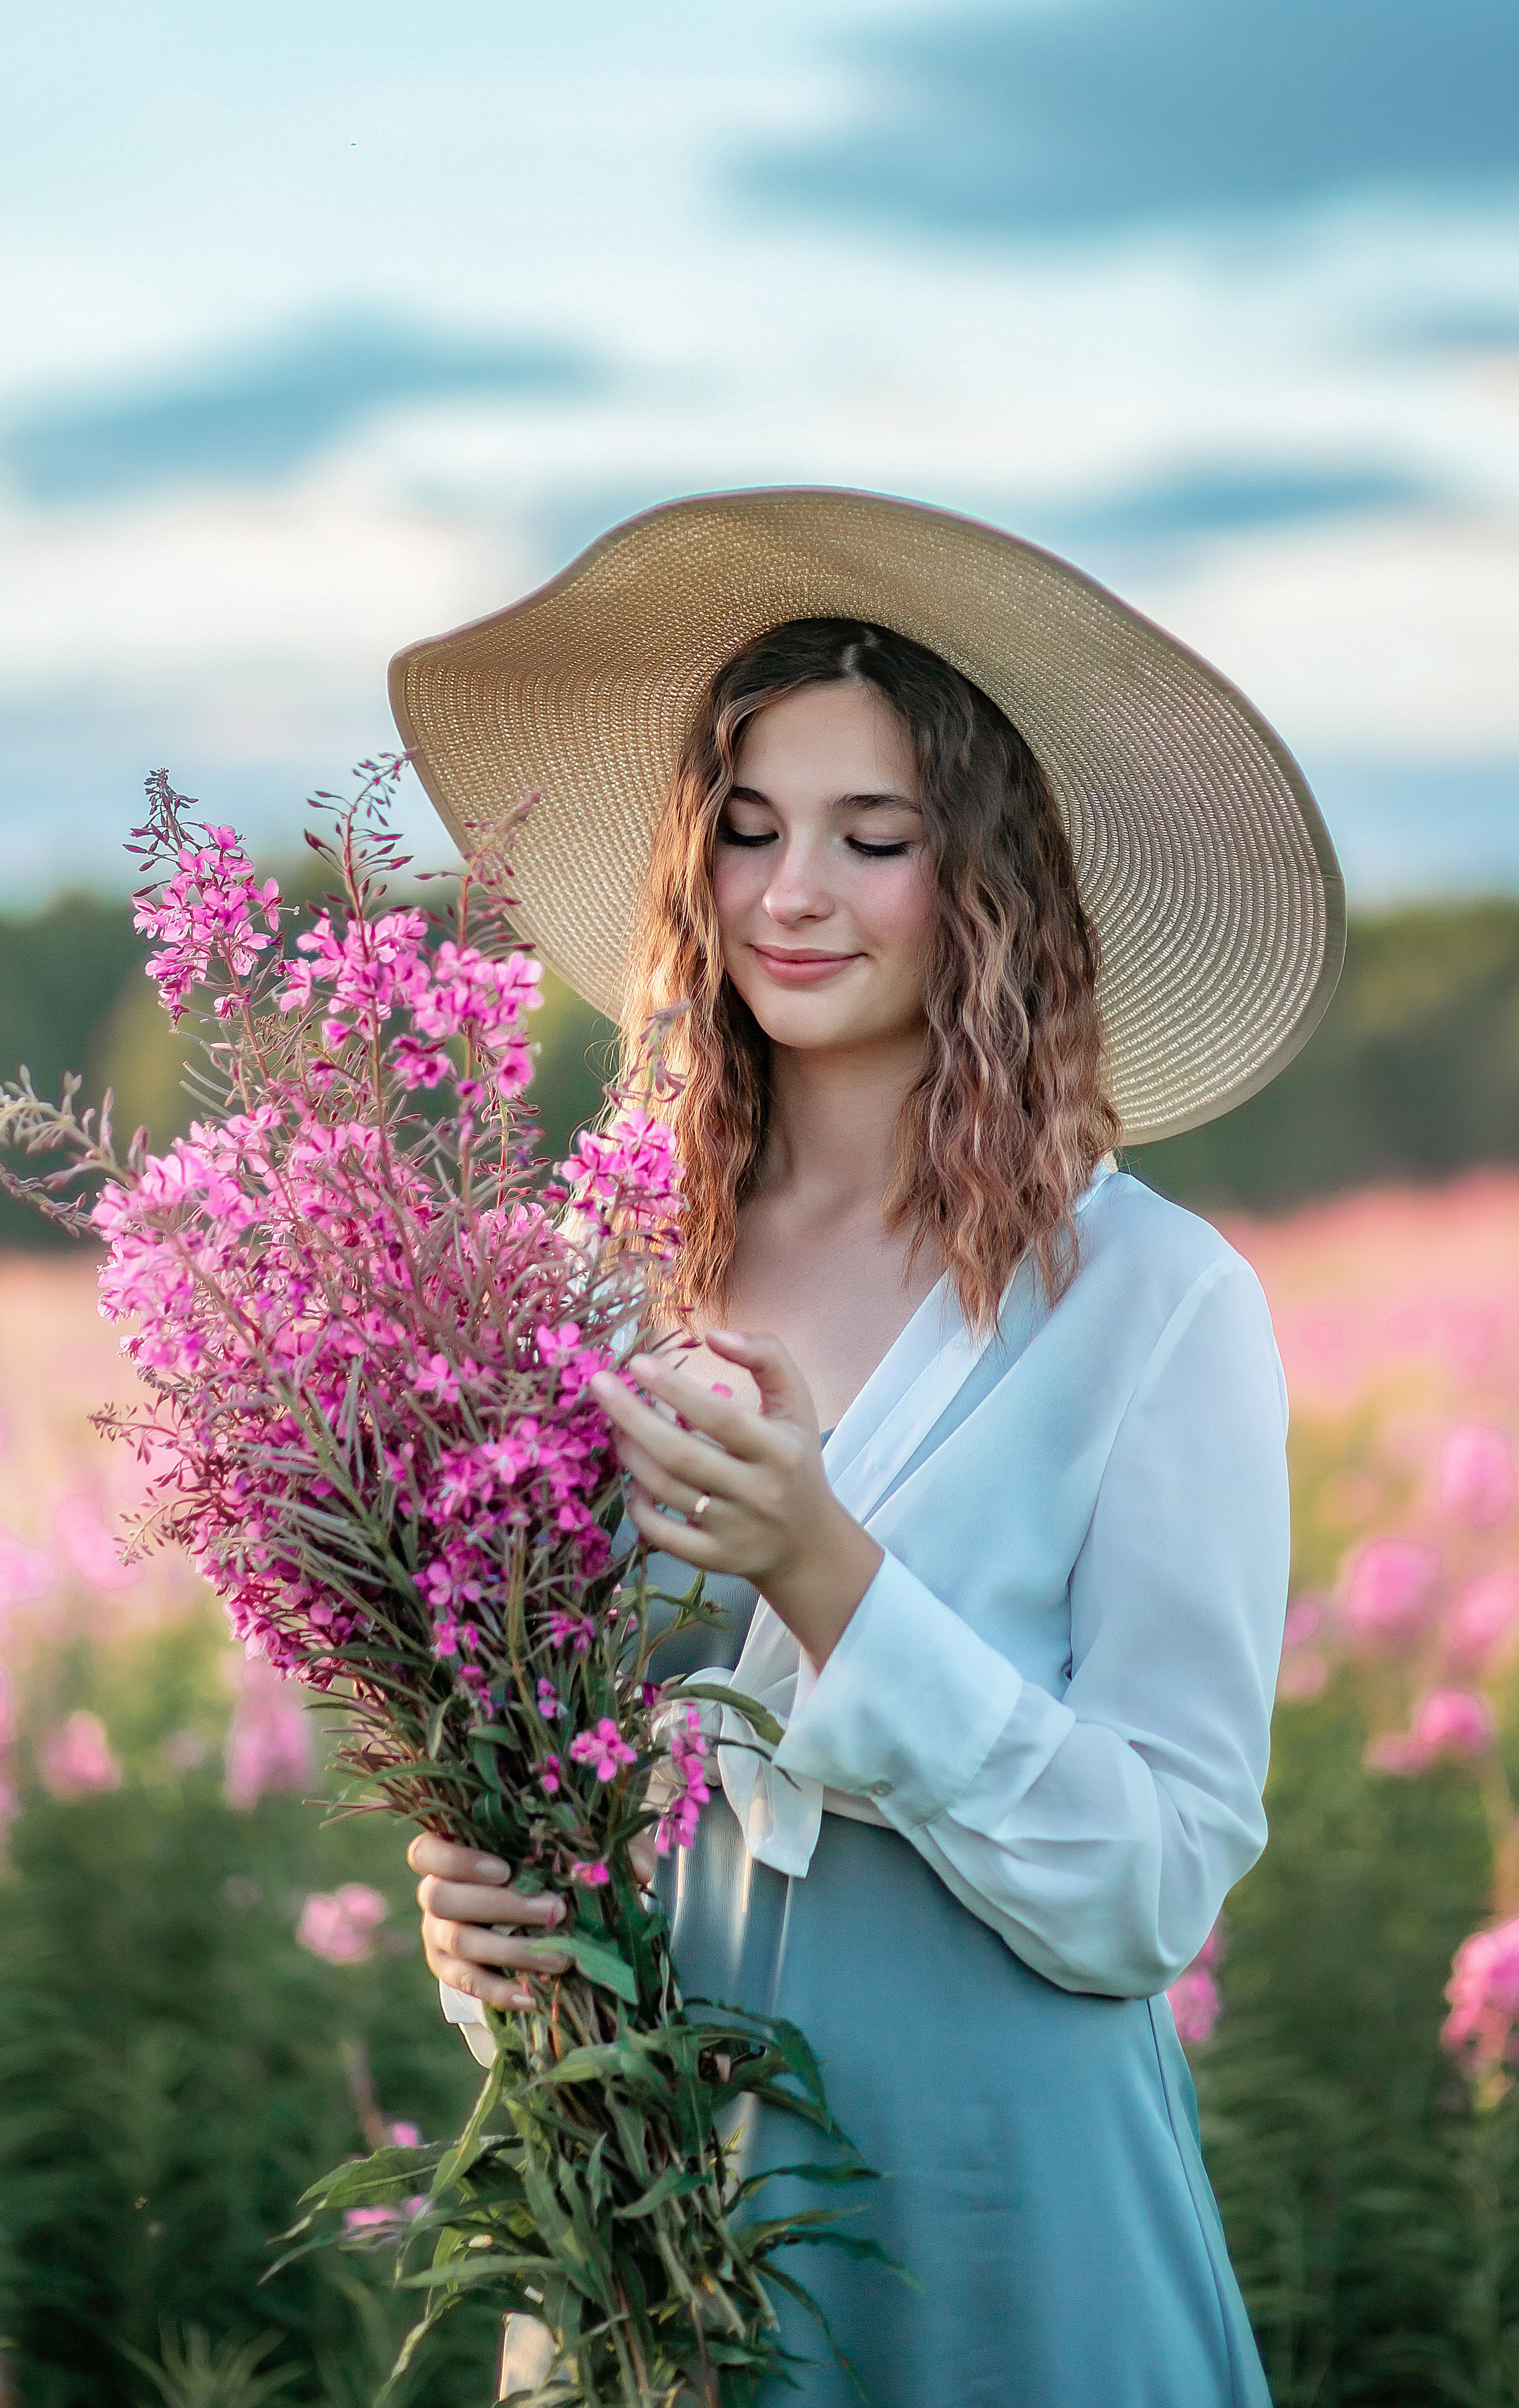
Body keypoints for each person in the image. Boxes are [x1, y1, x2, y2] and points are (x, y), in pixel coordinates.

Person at [397, 489, 1345, 2406]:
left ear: (988, 880)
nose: (788, 894)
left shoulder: (1158, 1303)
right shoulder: (592, 1275)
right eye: (745, 831)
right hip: (646, 2202)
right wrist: (477, 1909)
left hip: (997, 2215)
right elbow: (554, 1749)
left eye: (871, 837)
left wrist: (823, 1570)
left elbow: (1151, 1889)